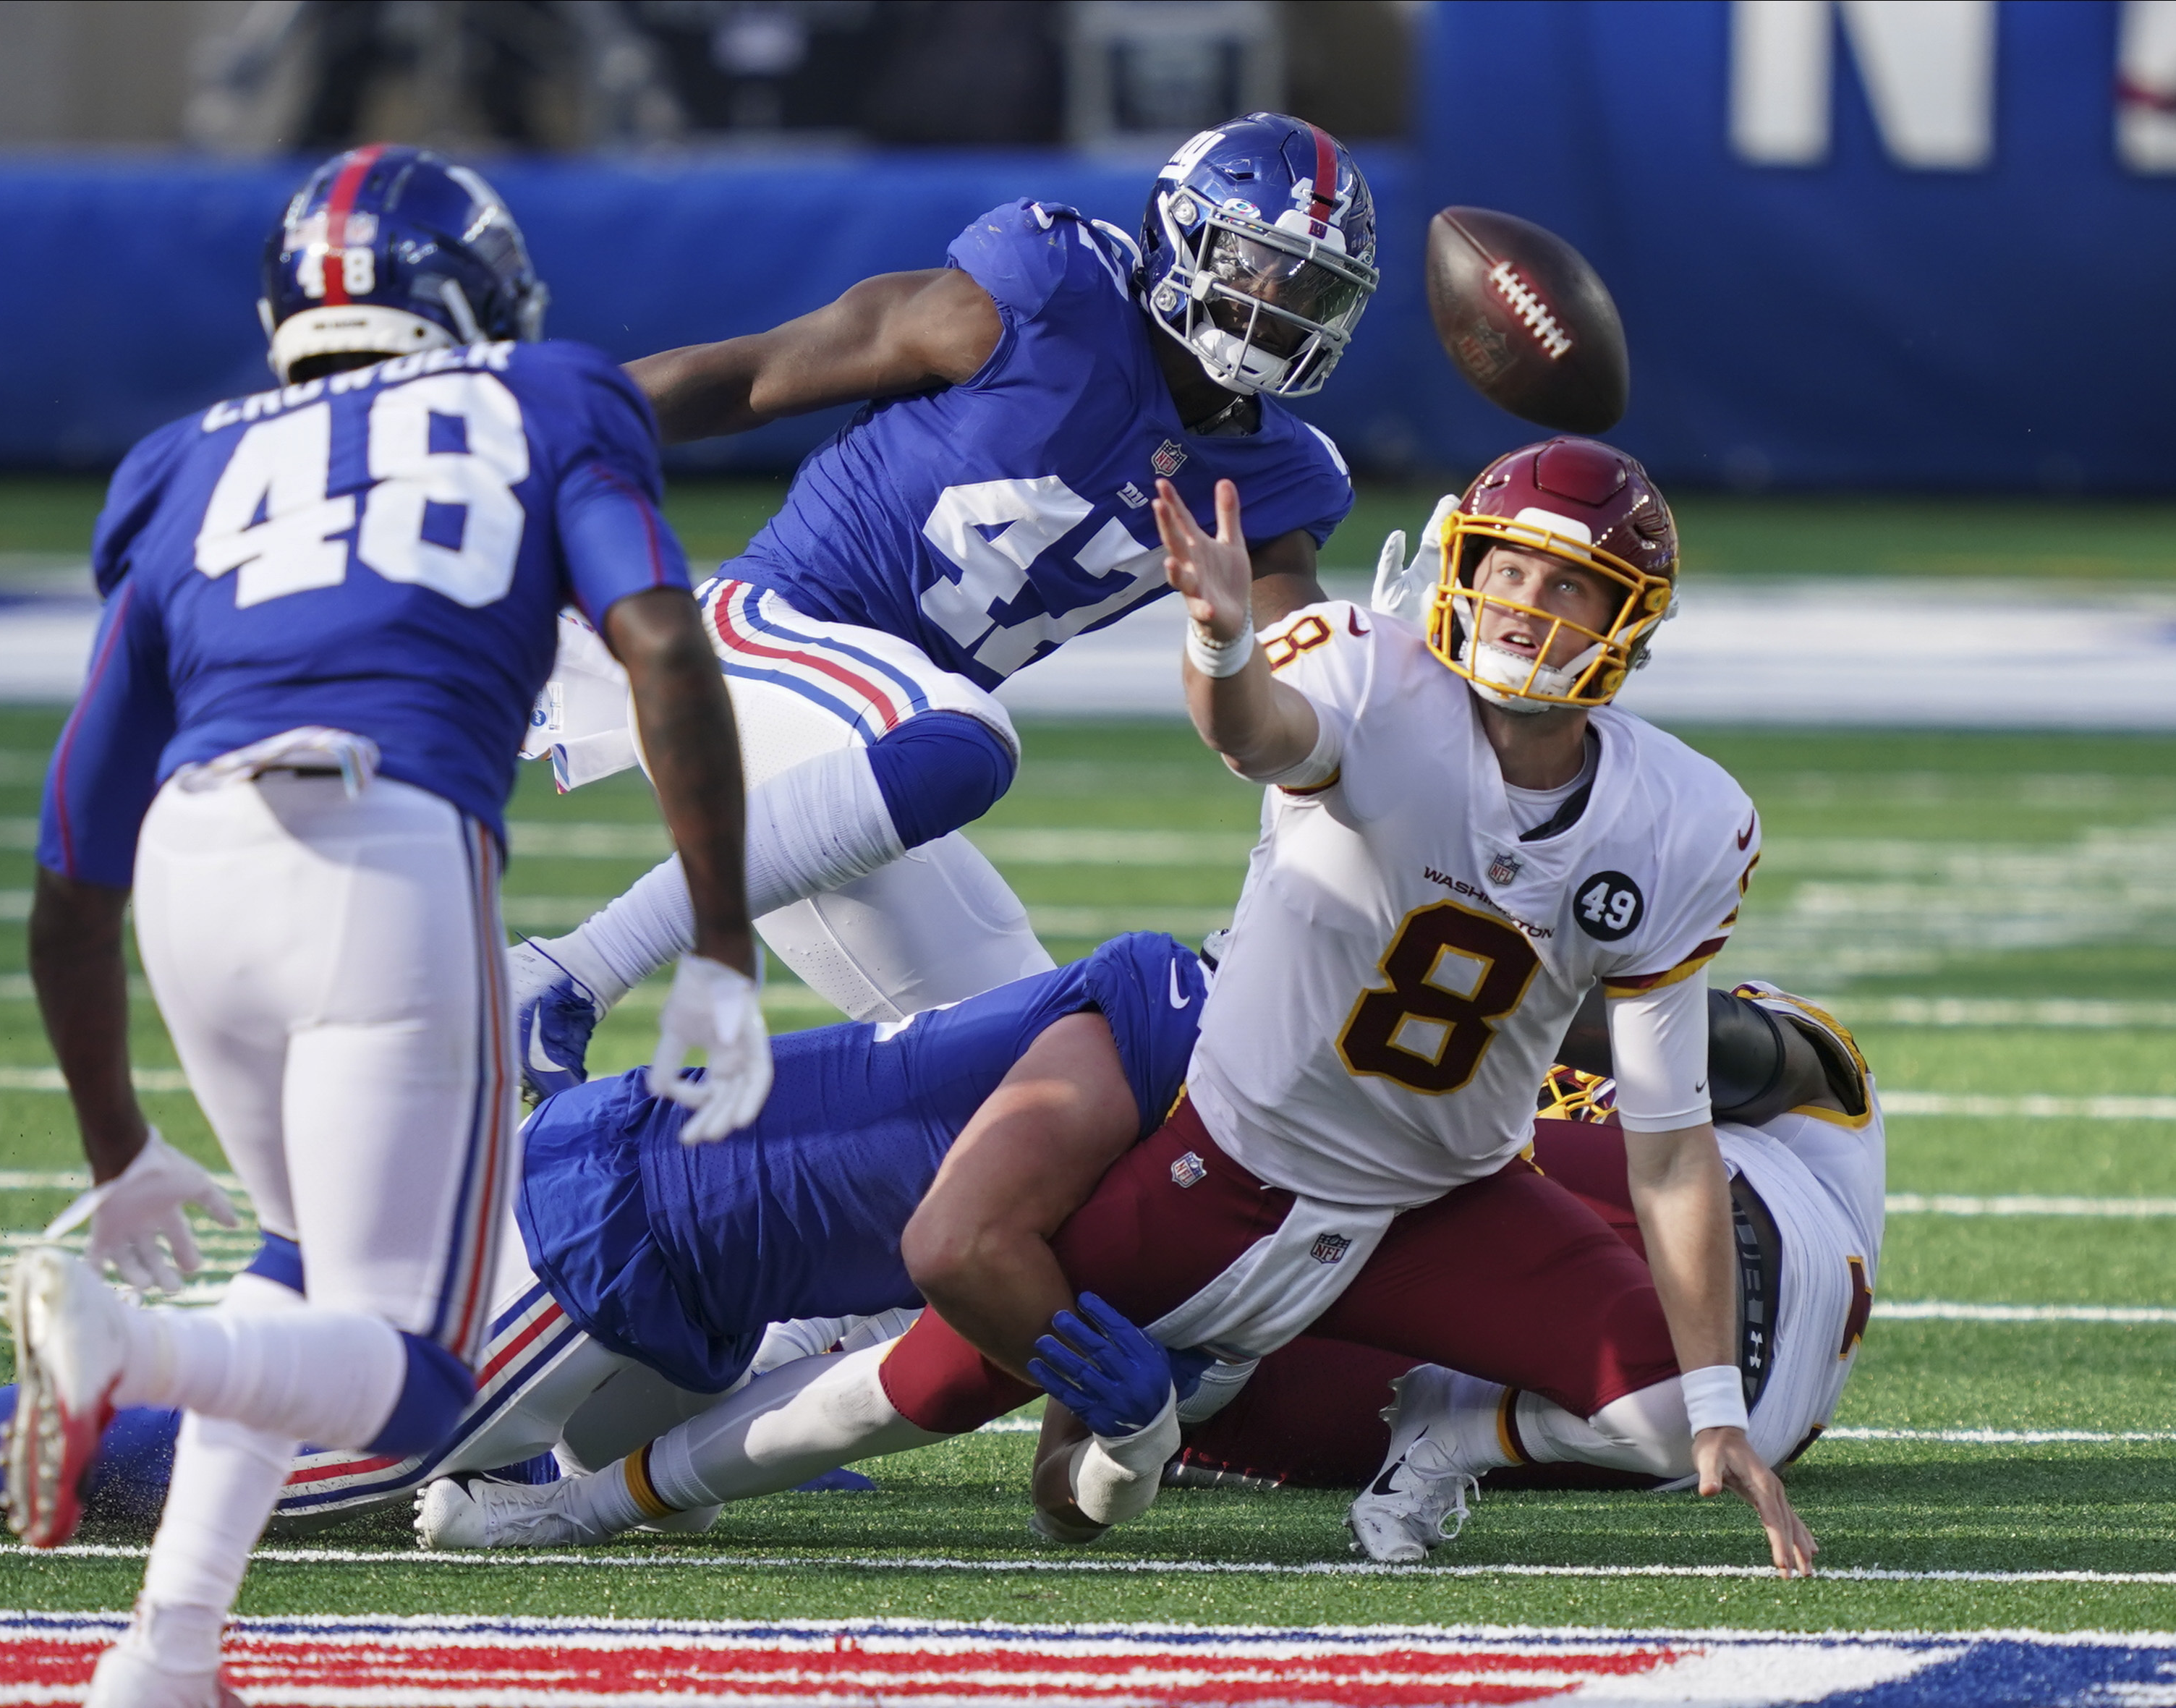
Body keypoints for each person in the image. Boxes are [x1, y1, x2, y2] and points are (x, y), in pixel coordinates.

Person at [441, 437, 1818, 1578]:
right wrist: (1224, 643)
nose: (1527, 607)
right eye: (1508, 570)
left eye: (1567, 587)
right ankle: (596, 1499)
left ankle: (1440, 1444)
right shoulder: (1370, 679)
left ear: (1623, 621)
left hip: (1444, 1193)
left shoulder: (1681, 818)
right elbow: (1255, 732)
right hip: (1226, 1152)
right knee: (935, 1392)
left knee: (1675, 1415)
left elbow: (1669, 1132)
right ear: (1461, 570)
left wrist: (1712, 1411)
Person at [0, 147, 751, 1708]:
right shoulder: (551, 398)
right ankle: (128, 1353)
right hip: (384, 848)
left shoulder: (183, 457)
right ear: (470, 296)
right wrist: (718, 938)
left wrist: (118, 1148)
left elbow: (68, 861)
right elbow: (658, 639)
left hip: (190, 867)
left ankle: (164, 1648)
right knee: (418, 1376)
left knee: (300, 1263)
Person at [0, 932, 1207, 1539]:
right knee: (233, 1474)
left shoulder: (1221, 1110)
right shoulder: (1168, 1036)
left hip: (682, 1284)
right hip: (620, 1232)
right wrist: (1129, 1427)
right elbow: (953, 1279)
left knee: (475, 1459)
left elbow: (1032, 1449)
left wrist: (1120, 1440)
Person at [510, 111, 1376, 1092]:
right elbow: (751, 374)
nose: (1283, 302)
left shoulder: (1278, 481)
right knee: (967, 736)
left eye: (1314, 286)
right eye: (1260, 263)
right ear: (1187, 232)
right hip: (768, 640)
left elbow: (1308, 691)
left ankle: (630, 1188)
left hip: (853, 785)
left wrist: (1369, 667)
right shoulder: (1052, 295)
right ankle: (563, 974)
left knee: (1051, 1072)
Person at [1087, 984, 1884, 1560]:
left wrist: (1511, 987)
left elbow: (1742, 1053)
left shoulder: (1677, 1030)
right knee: (1168, 1372)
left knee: (1308, 1187)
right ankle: (1447, 1426)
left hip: (1736, 1264)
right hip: (1687, 1428)